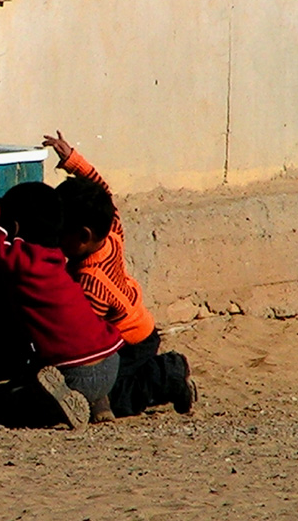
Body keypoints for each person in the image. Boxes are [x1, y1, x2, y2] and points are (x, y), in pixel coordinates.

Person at [0, 148, 124, 430]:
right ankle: (98, 403)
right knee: (32, 377)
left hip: (75, 371)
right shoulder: (56, 256)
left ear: (15, 227)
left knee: (0, 405)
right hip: (110, 362)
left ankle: (61, 403)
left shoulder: (22, 260)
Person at [42, 131, 197, 418]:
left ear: (83, 236)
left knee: (119, 396)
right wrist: (72, 160)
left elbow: (92, 336)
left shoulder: (90, 281)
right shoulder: (111, 227)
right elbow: (103, 190)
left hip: (130, 342)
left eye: (60, 232)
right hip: (137, 326)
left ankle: (168, 374)